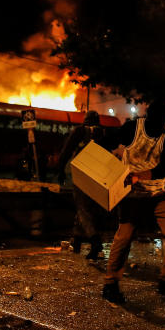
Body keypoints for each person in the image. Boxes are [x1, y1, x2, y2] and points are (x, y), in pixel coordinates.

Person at [101, 99, 165, 304]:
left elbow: (164, 169)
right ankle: (110, 284)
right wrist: (110, 168)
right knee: (124, 237)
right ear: (159, 118)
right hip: (132, 197)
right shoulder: (132, 128)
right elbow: (106, 143)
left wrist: (139, 174)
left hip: (157, 194)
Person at [58, 109, 106, 260]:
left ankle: (95, 241)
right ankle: (77, 240)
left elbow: (66, 151)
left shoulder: (79, 131)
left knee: (82, 207)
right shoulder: (102, 133)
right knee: (89, 208)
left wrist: (60, 170)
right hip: (98, 174)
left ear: (85, 120)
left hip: (81, 173)